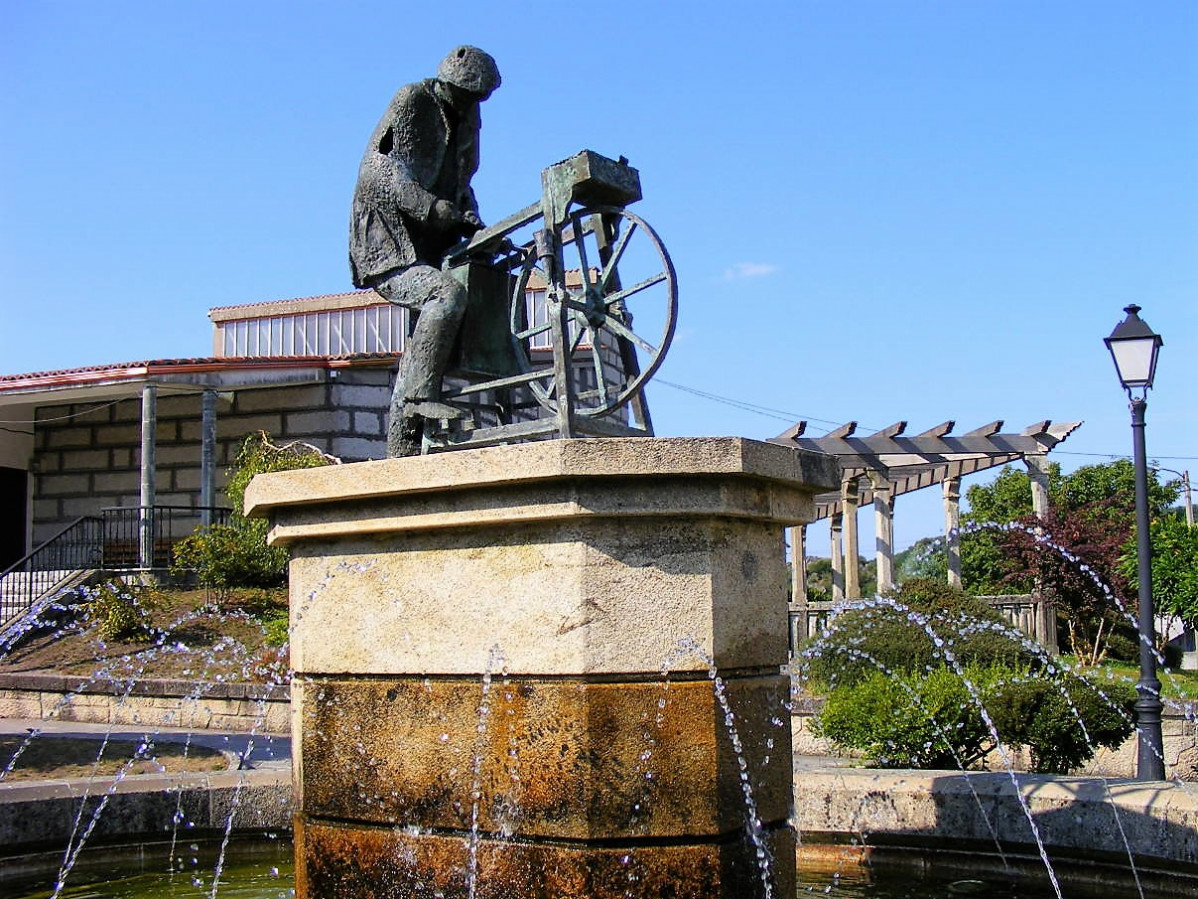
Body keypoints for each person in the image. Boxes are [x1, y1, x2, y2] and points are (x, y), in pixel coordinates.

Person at [349, 46, 501, 456]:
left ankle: (401, 451)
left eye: (478, 98)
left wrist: (470, 216)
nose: (471, 104)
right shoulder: (413, 99)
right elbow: (378, 170)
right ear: (449, 82)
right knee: (445, 295)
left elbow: (462, 179)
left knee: (420, 341)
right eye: (466, 94)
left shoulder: (468, 118)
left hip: (431, 244)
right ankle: (420, 399)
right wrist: (429, 207)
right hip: (388, 244)